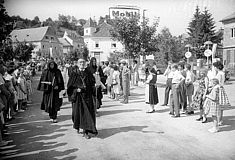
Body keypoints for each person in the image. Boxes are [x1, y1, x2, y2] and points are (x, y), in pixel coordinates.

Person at [67, 58, 98, 139]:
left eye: (83, 62)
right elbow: (69, 86)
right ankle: (77, 126)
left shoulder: (88, 73)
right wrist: (76, 90)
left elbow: (92, 83)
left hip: (87, 96)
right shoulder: (74, 73)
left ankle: (86, 131)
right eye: (80, 62)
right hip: (78, 97)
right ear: (77, 64)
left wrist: (94, 86)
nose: (82, 63)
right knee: (77, 113)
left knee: (87, 113)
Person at [213, 61, 230, 126]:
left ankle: (219, 120)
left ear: (217, 67)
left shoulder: (219, 74)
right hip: (221, 88)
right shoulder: (222, 73)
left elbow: (218, 82)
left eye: (214, 67)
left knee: (219, 106)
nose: (214, 68)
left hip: (218, 89)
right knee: (220, 106)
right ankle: (220, 120)